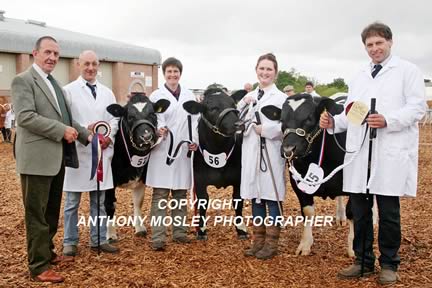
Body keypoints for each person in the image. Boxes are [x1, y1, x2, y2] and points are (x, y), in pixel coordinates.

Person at [320, 22, 426, 285]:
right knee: (360, 211)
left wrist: (388, 120)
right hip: (360, 154)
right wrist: (334, 123)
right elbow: (352, 114)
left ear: (390, 42)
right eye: (370, 45)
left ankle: (389, 264)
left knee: (389, 213)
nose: (375, 49)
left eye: (379, 43)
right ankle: (363, 261)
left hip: (388, 152)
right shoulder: (359, 76)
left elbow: (417, 108)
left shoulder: (407, 72)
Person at [11, 36, 91, 283]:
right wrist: (61, 131)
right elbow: (25, 117)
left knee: (50, 213)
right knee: (36, 214)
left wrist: (89, 136)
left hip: (56, 159)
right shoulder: (23, 80)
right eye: (48, 52)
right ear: (35, 53)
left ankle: (48, 252)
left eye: (56, 54)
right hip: (36, 159)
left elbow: (66, 118)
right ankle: (38, 266)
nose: (52, 58)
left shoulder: (55, 84)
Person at [62, 50, 119, 257]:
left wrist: (109, 136)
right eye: (86, 63)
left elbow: (114, 119)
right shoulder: (67, 91)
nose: (90, 68)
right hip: (78, 152)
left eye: (94, 64)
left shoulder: (108, 92)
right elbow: (65, 120)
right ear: (78, 65)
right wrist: (87, 131)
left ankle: (99, 239)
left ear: (98, 66)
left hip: (101, 154)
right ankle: (70, 241)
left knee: (99, 202)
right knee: (71, 203)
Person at [237, 53, 286, 260]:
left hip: (271, 153)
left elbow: (286, 127)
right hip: (251, 152)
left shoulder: (282, 98)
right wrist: (243, 105)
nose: (265, 72)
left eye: (269, 69)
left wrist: (265, 129)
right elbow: (236, 120)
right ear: (256, 70)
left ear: (275, 73)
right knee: (256, 198)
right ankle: (258, 241)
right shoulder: (249, 97)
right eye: (262, 69)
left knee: (271, 197)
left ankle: (272, 244)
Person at [146, 57, 198, 251]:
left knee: (179, 193)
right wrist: (158, 130)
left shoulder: (189, 95)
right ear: (164, 74)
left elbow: (196, 121)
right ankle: (158, 237)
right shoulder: (156, 95)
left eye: (176, 71)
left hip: (183, 148)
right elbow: (153, 117)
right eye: (169, 71)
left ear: (180, 73)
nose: (172, 75)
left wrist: (195, 142)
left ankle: (180, 233)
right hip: (163, 149)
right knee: (160, 194)